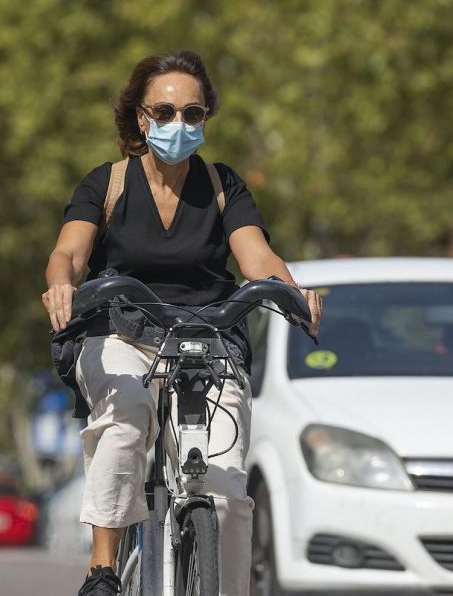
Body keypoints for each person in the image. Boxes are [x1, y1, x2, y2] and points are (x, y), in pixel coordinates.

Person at [42, 50, 323, 596]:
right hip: (121, 330)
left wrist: (289, 290)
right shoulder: (107, 184)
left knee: (225, 495)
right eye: (164, 112)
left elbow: (257, 258)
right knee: (124, 416)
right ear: (139, 119)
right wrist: (62, 285)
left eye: (192, 114)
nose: (179, 124)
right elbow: (69, 254)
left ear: (206, 119)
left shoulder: (223, 186)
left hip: (209, 336)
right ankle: (102, 570)